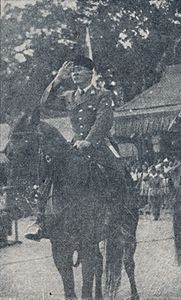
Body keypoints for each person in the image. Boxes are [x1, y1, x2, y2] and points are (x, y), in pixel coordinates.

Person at [25, 55, 131, 241]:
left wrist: (89, 141)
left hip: (98, 144)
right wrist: (57, 79)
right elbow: (45, 103)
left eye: (79, 70)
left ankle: (121, 219)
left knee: (116, 172)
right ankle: (41, 220)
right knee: (52, 172)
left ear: (90, 73)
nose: (74, 73)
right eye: (72, 71)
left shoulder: (102, 95)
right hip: (75, 144)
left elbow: (103, 121)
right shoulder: (69, 97)